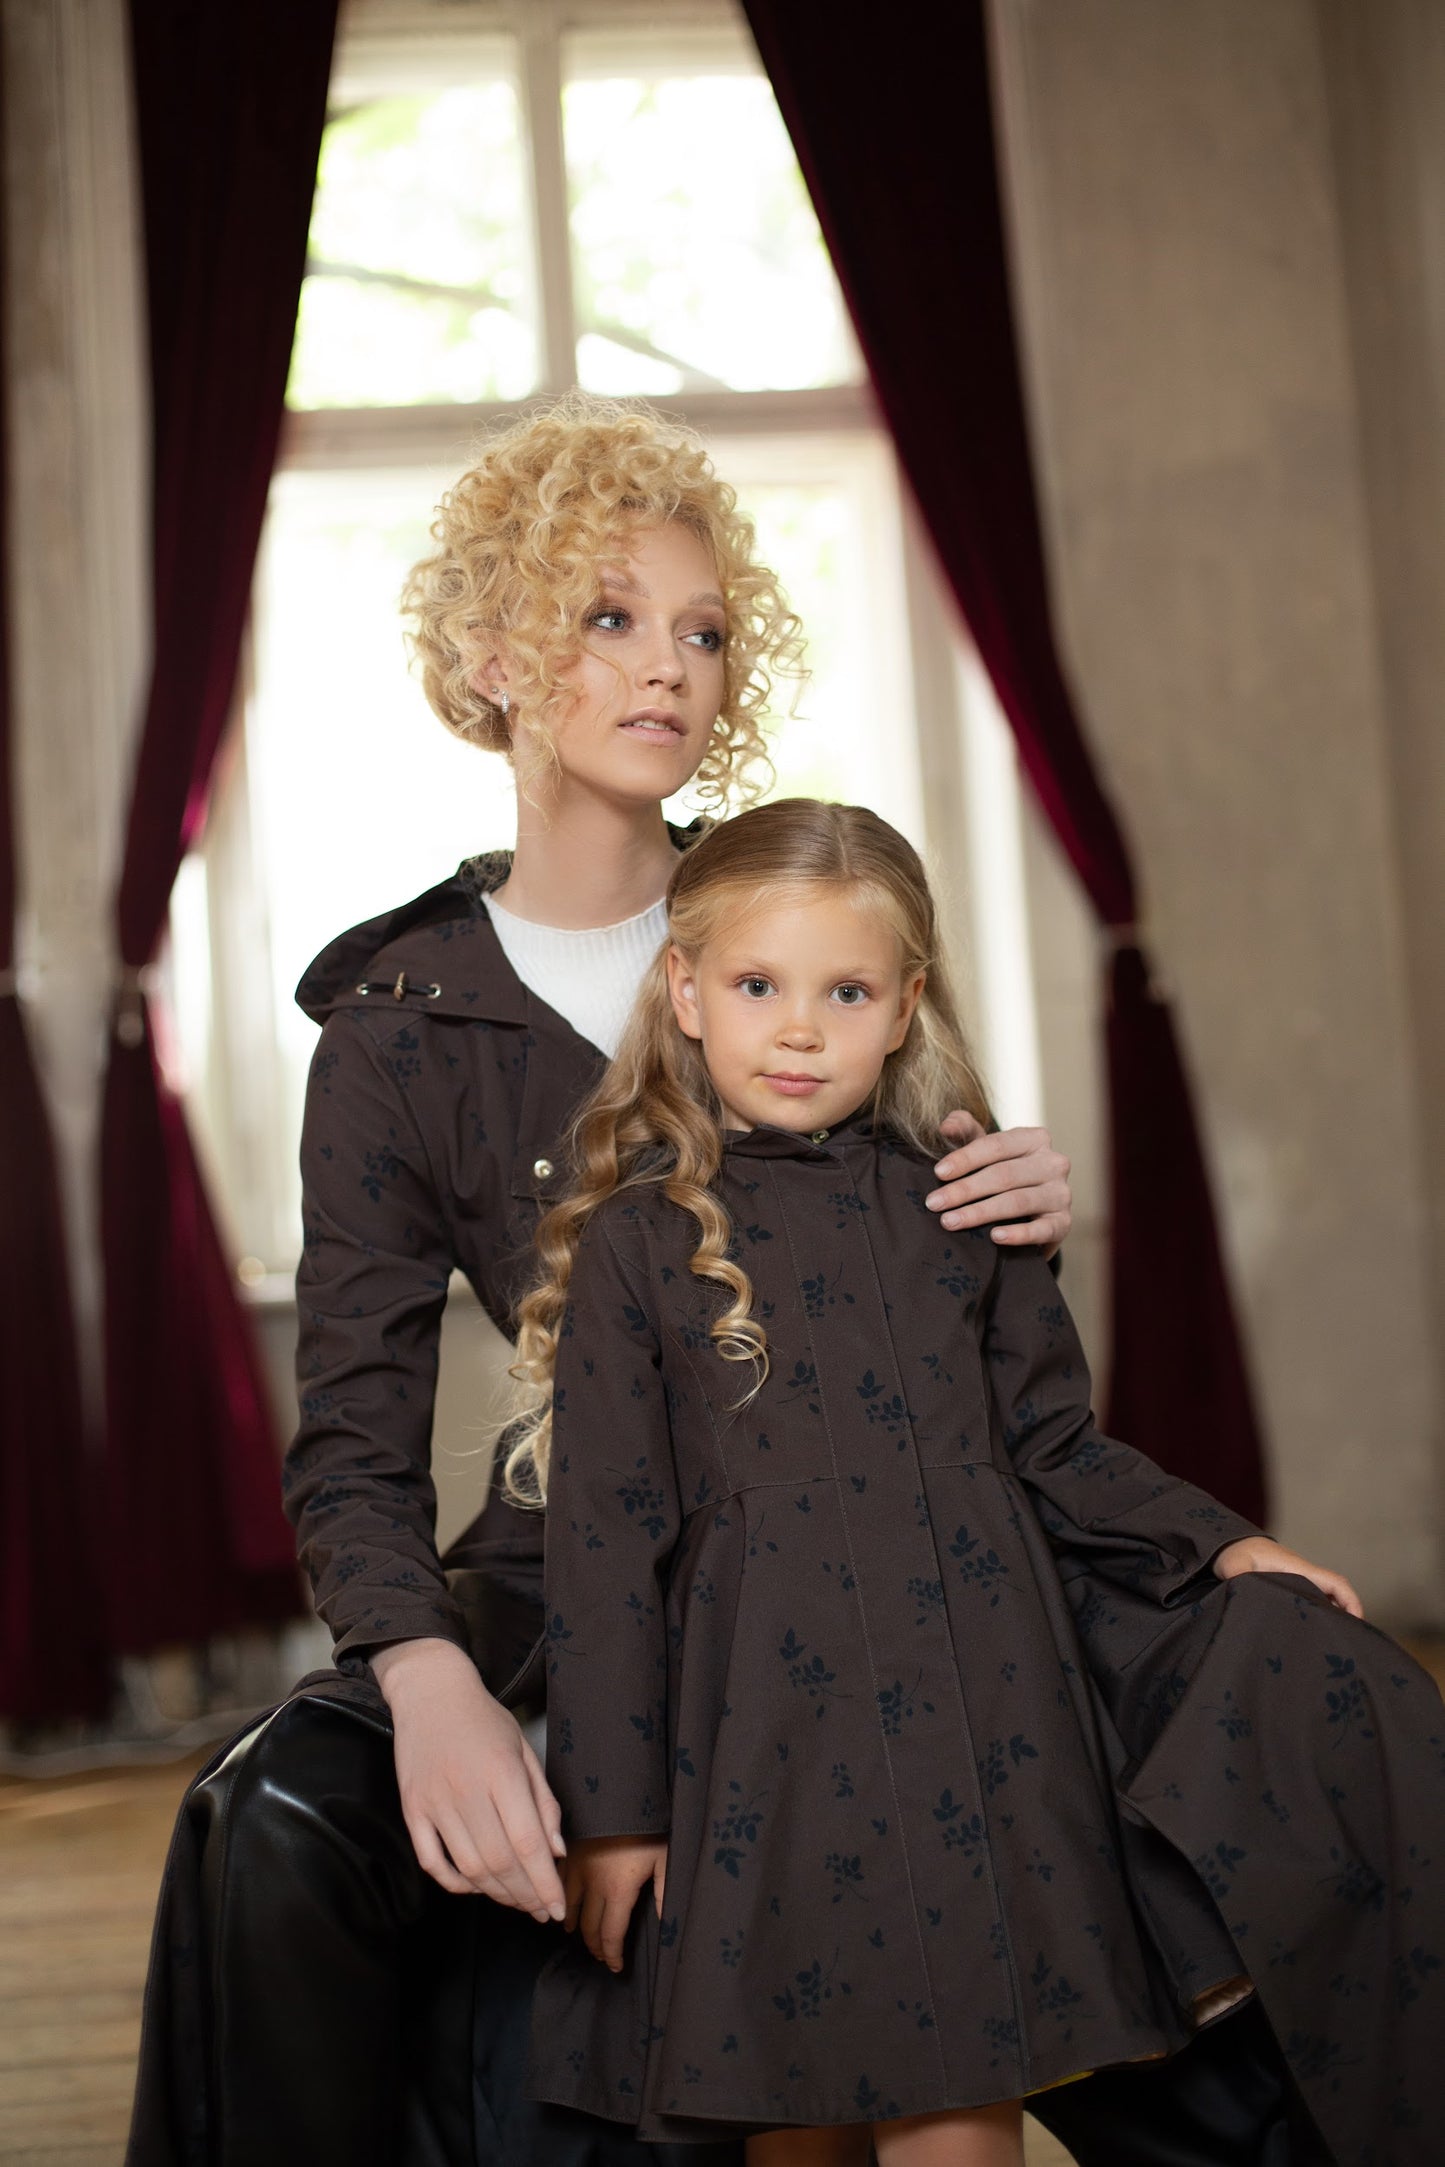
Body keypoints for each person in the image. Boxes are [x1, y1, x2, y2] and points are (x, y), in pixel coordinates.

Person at [124, 398, 1077, 2167]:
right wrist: (423, 1675)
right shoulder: (396, 1028)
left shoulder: (799, 911)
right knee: (270, 1814)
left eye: (701, 632)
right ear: (494, 659)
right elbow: (352, 1443)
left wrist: (1007, 1194)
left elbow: (937, 1256)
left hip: (863, 1534)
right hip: (562, 1568)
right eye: (608, 618)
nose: (666, 668)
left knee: (1249, 1714)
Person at [505, 799, 1443, 2164]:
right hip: (764, 1749)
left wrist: (1221, 1546)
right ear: (686, 993)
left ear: (903, 1010)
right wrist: (614, 1816)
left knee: (957, 2104)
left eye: (845, 992)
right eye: (759, 986)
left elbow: (1058, 1447)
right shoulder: (635, 1247)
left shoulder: (964, 1206)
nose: (800, 1029)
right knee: (790, 2111)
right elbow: (601, 1550)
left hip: (979, 1730)